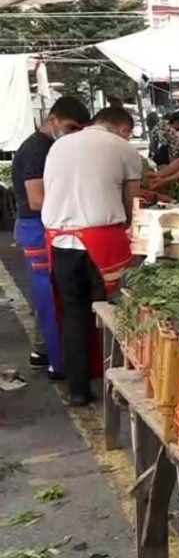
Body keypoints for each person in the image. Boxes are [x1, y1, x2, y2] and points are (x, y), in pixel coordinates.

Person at [42, 107, 142, 406]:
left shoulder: (59, 145)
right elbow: (132, 205)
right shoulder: (124, 149)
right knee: (112, 314)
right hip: (101, 240)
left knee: (74, 314)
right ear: (123, 129)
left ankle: (78, 390)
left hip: (60, 241)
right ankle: (119, 387)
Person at [12, 96, 90, 375]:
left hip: (45, 226)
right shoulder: (36, 149)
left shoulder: (51, 147)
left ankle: (43, 352)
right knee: (50, 298)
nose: (73, 135)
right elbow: (36, 199)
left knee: (51, 295)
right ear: (53, 120)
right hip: (37, 228)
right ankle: (60, 365)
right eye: (70, 128)